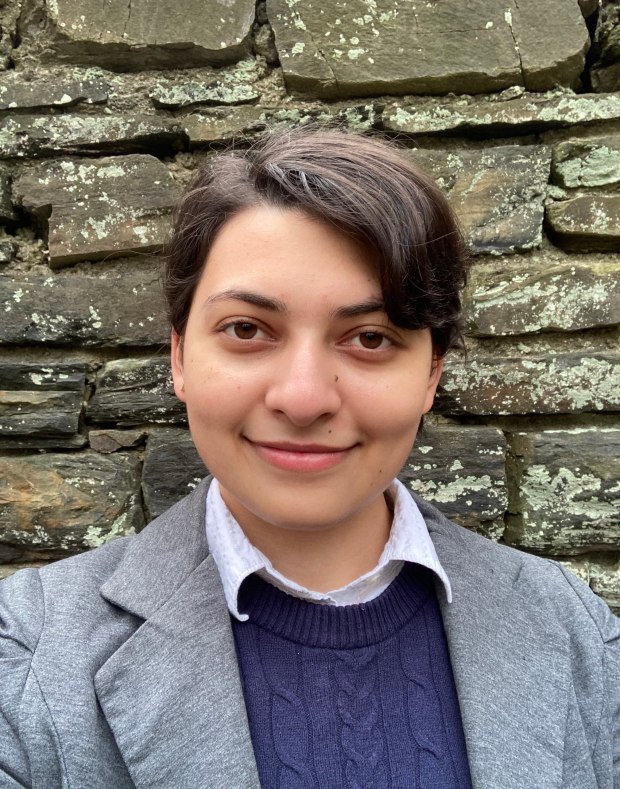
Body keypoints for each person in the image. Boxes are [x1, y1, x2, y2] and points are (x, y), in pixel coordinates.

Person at [0, 128, 618, 789]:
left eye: (370, 338)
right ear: (179, 356)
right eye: (246, 329)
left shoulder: (575, 631)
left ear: (432, 372)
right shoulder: (29, 650)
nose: (301, 398)